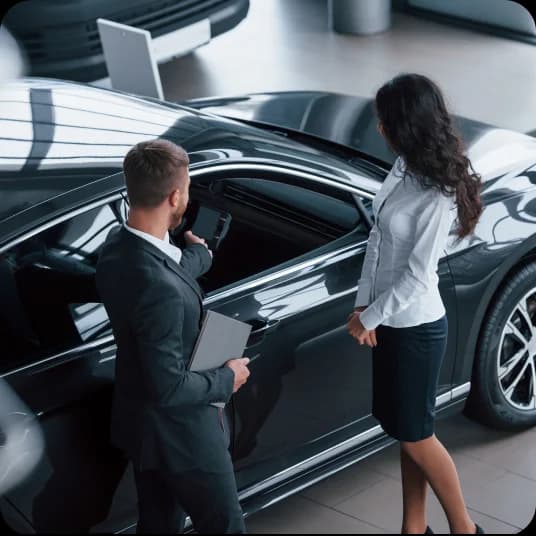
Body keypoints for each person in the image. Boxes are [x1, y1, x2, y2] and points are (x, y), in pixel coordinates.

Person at [347, 73, 485, 535]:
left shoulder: (438, 194)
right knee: (407, 431)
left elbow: (416, 277)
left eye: (385, 121)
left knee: (418, 435)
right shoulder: (405, 166)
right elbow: (377, 238)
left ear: (405, 125)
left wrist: (371, 316)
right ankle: (414, 526)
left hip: (415, 329)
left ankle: (465, 529)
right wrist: (363, 303)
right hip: (388, 322)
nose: (379, 128)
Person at [96, 138, 250, 534]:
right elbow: (168, 387)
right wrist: (228, 378)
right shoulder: (158, 288)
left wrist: (200, 256)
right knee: (225, 525)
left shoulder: (117, 245)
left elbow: (159, 266)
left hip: (142, 428)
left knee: (159, 524)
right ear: (176, 195)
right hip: (183, 435)